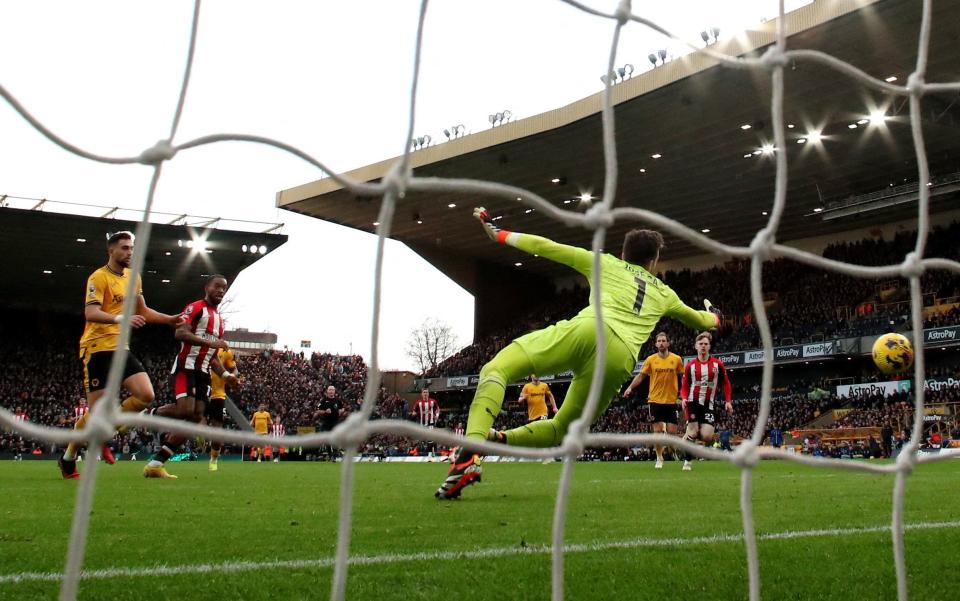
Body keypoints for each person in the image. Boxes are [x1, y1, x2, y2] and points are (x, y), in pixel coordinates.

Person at [435, 208, 721, 499]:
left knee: (495, 370)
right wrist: (715, 315)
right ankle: (496, 439)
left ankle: (471, 450)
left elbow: (548, 247)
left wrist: (499, 234)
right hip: (619, 359)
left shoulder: (605, 263)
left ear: (623, 254)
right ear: (654, 261)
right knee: (563, 428)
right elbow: (701, 321)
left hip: (589, 329)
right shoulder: (665, 293)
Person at [59, 231, 184, 480]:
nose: (130, 252)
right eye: (125, 248)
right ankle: (69, 456)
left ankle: (102, 435)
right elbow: (91, 313)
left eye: (132, 248)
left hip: (120, 348)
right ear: (111, 251)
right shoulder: (99, 277)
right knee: (97, 414)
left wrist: (169, 319)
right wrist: (120, 318)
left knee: (146, 395)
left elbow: (143, 311)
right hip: (96, 349)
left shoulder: (133, 277)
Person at [144, 275, 236, 479]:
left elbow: (213, 359)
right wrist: (209, 343)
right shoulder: (195, 307)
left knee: (194, 419)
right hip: (186, 367)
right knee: (186, 410)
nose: (221, 290)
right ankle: (149, 415)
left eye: (224, 288)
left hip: (204, 374)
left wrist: (227, 375)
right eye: (217, 286)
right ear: (207, 287)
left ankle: (156, 464)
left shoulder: (220, 322)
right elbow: (180, 333)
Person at [623, 332, 684, 469]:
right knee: (657, 432)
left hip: (671, 401)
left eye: (664, 340)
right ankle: (659, 457)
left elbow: (683, 377)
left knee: (672, 433)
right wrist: (630, 388)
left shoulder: (677, 359)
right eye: (659, 341)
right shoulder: (651, 360)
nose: (661, 343)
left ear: (668, 343)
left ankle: (673, 451)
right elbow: (641, 376)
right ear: (656, 344)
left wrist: (684, 393)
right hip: (654, 400)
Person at [679, 332, 733, 472]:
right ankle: (687, 461)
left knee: (707, 436)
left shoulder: (717, 364)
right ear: (696, 346)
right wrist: (684, 398)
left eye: (706, 344)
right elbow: (684, 385)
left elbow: (726, 383)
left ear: (709, 347)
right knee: (693, 432)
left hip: (709, 404)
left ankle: (686, 440)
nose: (703, 346)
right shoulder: (690, 365)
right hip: (692, 402)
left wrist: (728, 401)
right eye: (701, 344)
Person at [204, 346, 240, 471]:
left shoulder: (225, 351)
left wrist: (232, 377)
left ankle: (213, 459)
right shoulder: (199, 345)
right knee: (197, 421)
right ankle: (201, 434)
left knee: (217, 432)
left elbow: (234, 370)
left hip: (218, 394)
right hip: (201, 390)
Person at [314, 385, 346, 460]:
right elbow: (318, 411)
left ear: (334, 391)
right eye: (330, 390)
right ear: (327, 391)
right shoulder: (323, 400)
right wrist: (325, 411)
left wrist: (341, 411)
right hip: (326, 423)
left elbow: (342, 408)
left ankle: (334, 455)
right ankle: (330, 454)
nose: (331, 391)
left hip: (335, 422)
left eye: (332, 390)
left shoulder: (338, 400)